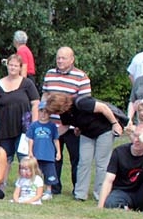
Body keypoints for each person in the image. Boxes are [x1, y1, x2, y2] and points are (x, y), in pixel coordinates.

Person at [43, 91, 123, 201]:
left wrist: (115, 124)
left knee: (101, 163)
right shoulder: (64, 112)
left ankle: (100, 194)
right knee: (83, 162)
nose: (56, 113)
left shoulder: (81, 102)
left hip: (104, 130)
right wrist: (49, 137)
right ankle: (80, 194)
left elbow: (103, 108)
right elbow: (65, 126)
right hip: (87, 133)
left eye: (56, 111)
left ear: (61, 105)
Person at [41, 46, 91, 195]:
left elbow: (85, 104)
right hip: (51, 124)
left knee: (76, 158)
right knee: (53, 157)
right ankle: (54, 187)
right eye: (58, 58)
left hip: (72, 127)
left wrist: (75, 124)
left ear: (72, 59)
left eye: (63, 58)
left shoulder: (81, 77)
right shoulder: (49, 74)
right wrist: (42, 115)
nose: (60, 61)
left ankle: (78, 189)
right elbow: (45, 95)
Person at [97, 121, 143, 215]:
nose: (136, 140)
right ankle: (126, 208)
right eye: (135, 136)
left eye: (141, 137)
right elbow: (108, 180)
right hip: (123, 192)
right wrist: (100, 207)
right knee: (110, 203)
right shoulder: (119, 152)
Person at [0, 53, 39, 167]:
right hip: (4, 128)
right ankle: (1, 183)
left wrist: (34, 124)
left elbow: (35, 103)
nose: (13, 68)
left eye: (15, 66)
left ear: (20, 67)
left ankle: (27, 183)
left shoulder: (27, 84)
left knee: (25, 158)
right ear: (7, 66)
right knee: (5, 159)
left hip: (25, 129)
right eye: (10, 65)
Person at [27, 101, 61, 200]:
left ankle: (48, 191)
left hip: (48, 155)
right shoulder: (34, 125)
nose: (43, 114)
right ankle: (35, 190)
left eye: (46, 112)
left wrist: (58, 151)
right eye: (41, 111)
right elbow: (30, 139)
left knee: (49, 173)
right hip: (37, 154)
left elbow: (55, 139)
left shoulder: (52, 126)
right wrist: (30, 151)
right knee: (36, 173)